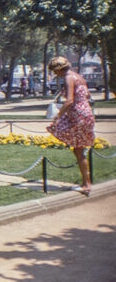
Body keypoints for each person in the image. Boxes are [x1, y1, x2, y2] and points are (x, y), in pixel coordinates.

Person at [46, 56, 95, 195]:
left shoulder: (69, 78)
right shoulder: (79, 77)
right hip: (86, 113)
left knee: (78, 149)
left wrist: (58, 116)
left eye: (56, 72)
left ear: (60, 70)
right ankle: (86, 181)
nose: (56, 75)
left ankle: (87, 184)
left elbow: (69, 101)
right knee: (78, 149)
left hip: (78, 115)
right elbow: (87, 95)